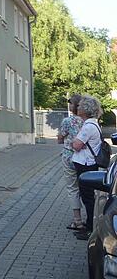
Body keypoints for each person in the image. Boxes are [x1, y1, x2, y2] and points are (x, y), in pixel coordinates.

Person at [71, 94, 104, 240]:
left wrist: (73, 142)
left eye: (79, 106)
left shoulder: (88, 126)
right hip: (89, 163)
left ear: (85, 109)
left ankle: (90, 228)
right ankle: (90, 224)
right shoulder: (94, 123)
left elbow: (77, 145)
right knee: (89, 197)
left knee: (88, 198)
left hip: (85, 164)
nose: (77, 108)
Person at [58, 94, 85, 232]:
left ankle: (77, 221)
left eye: (70, 103)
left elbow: (59, 139)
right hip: (85, 158)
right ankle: (90, 218)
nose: (69, 105)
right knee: (86, 188)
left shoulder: (67, 121)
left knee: (72, 188)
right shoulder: (87, 121)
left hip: (69, 157)